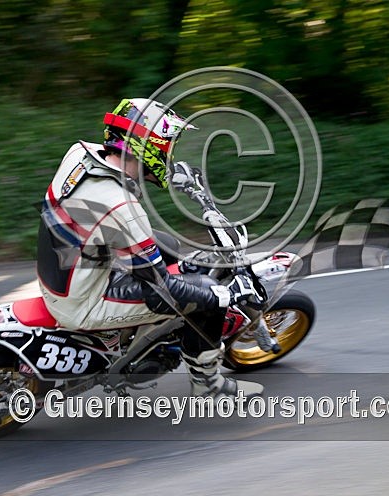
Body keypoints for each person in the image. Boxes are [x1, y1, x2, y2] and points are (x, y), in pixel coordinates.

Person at [36, 98, 263, 398]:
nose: (169, 154)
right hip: (83, 301)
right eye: (167, 147)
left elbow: (112, 206)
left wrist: (183, 179)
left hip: (67, 264)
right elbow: (161, 291)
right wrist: (223, 295)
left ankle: (149, 336)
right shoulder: (123, 208)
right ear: (148, 148)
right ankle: (207, 387)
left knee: (167, 244)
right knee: (210, 296)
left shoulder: (80, 154)